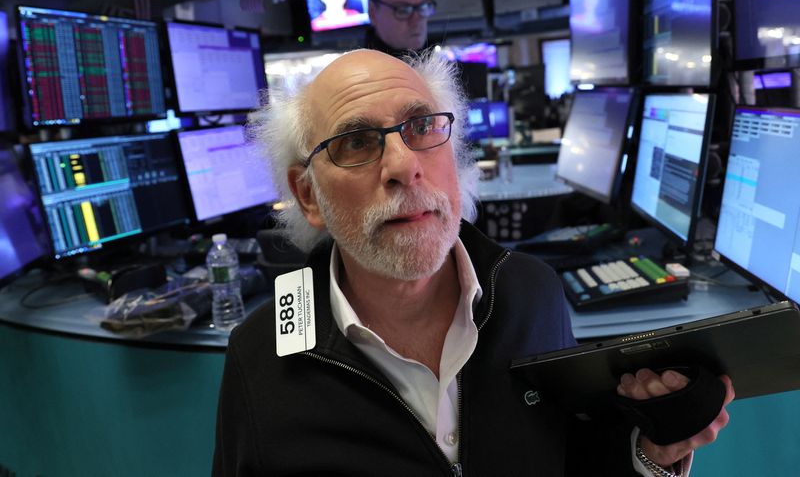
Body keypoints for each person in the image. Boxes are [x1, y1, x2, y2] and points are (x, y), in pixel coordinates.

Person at [213, 49, 734, 475]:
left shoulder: (531, 291)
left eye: (420, 127)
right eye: (355, 142)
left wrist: (650, 452)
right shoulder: (261, 355)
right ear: (307, 196)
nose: (403, 166)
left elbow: (572, 458)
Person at [365, 0, 436, 57]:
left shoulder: (447, 66)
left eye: (422, 7)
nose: (416, 21)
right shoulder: (356, 70)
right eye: (403, 10)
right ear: (373, 12)